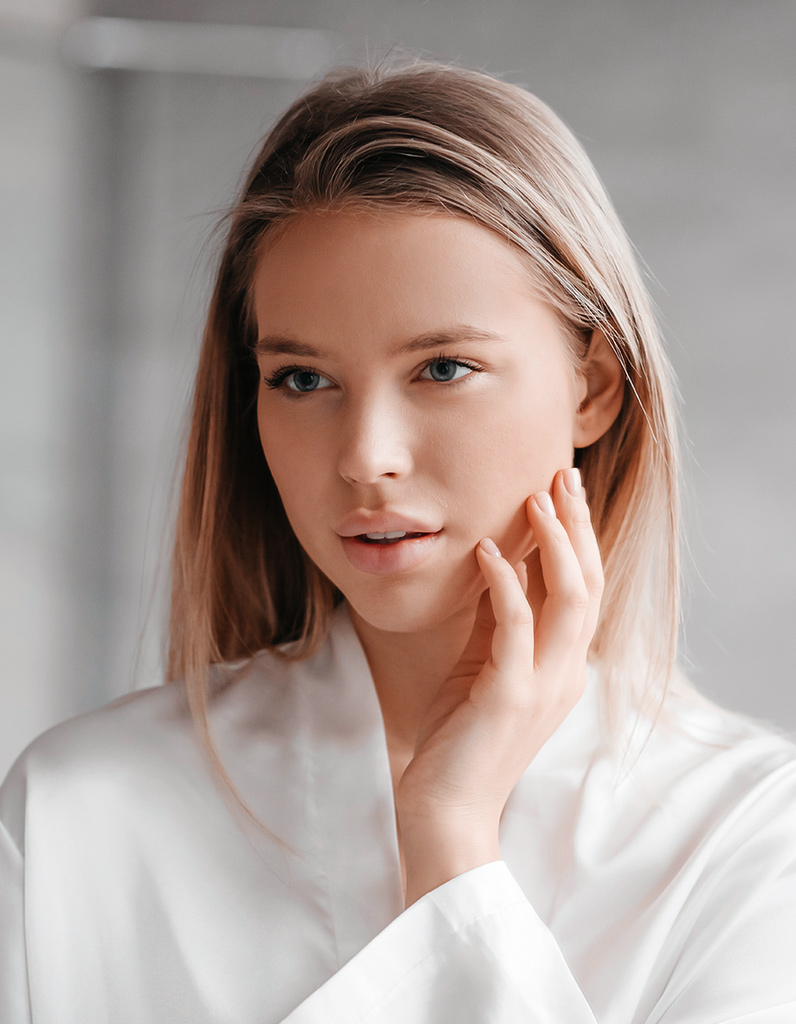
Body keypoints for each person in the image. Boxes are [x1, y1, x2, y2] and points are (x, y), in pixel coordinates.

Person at [1, 60, 795, 1024]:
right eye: (301, 379)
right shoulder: (76, 813)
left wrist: (451, 842)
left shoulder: (751, 836)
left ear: (590, 385)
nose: (366, 458)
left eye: (443, 368)